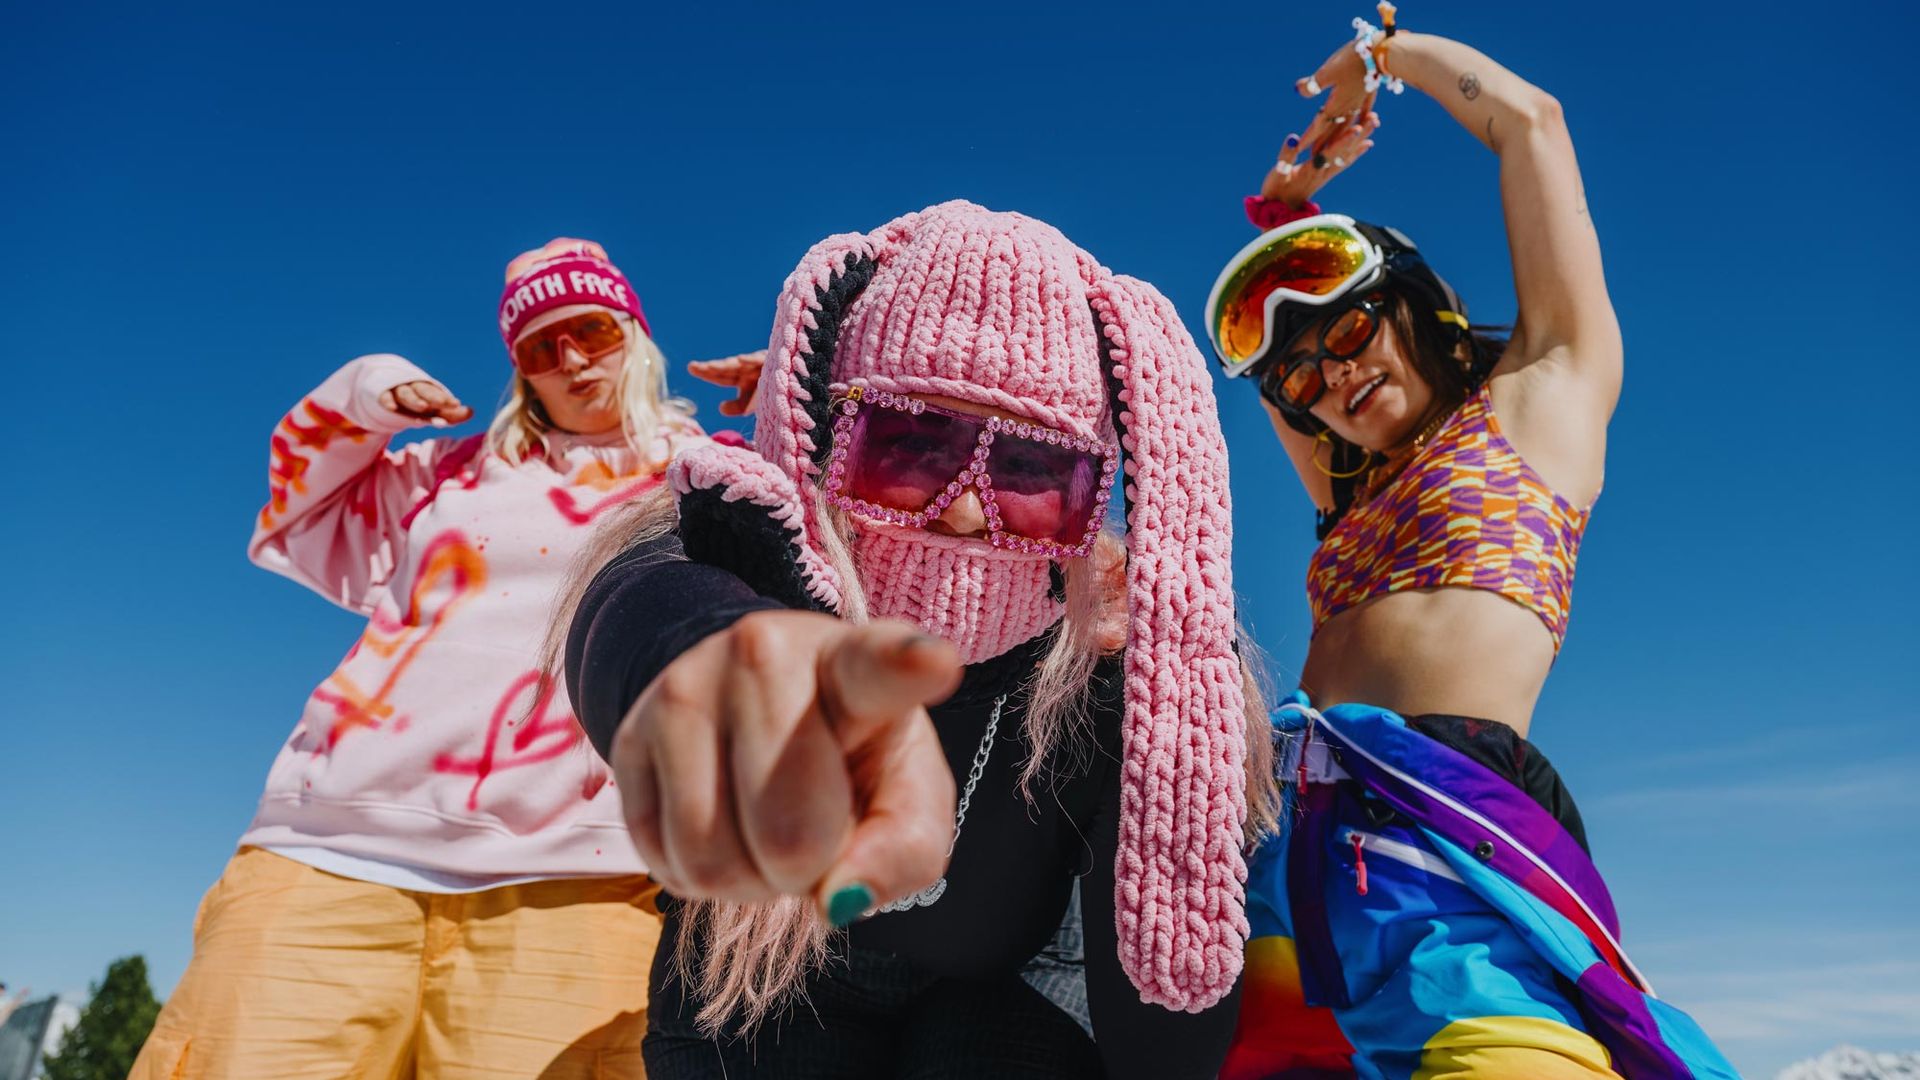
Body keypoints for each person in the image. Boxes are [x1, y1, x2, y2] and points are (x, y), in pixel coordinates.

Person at [555, 200, 1279, 1078]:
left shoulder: (1127, 661)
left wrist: (1181, 782)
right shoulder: (748, 537)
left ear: (1092, 496)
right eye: (911, 444)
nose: (968, 511)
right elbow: (639, 611)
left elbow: (1164, 1054)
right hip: (762, 982)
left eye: (1030, 469)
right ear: (830, 436)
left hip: (1005, 988)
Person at [1200, 10, 1738, 1078]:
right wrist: (1284, 213)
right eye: (1308, 381)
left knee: (1496, 1050)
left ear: (1413, 305)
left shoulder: (1542, 400)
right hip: (1289, 845)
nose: (1335, 378)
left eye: (1351, 330)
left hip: (1440, 829)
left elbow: (1532, 126)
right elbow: (1273, 371)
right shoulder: (1350, 500)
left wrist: (1381, 56)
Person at [133, 239, 699, 1079]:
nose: (572, 361)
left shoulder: (709, 477)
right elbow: (302, 509)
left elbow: (854, 549)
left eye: (592, 331)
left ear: (635, 334)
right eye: (541, 346)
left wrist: (813, 405)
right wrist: (366, 394)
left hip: (583, 873)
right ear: (521, 373)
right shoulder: (445, 475)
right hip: (329, 851)